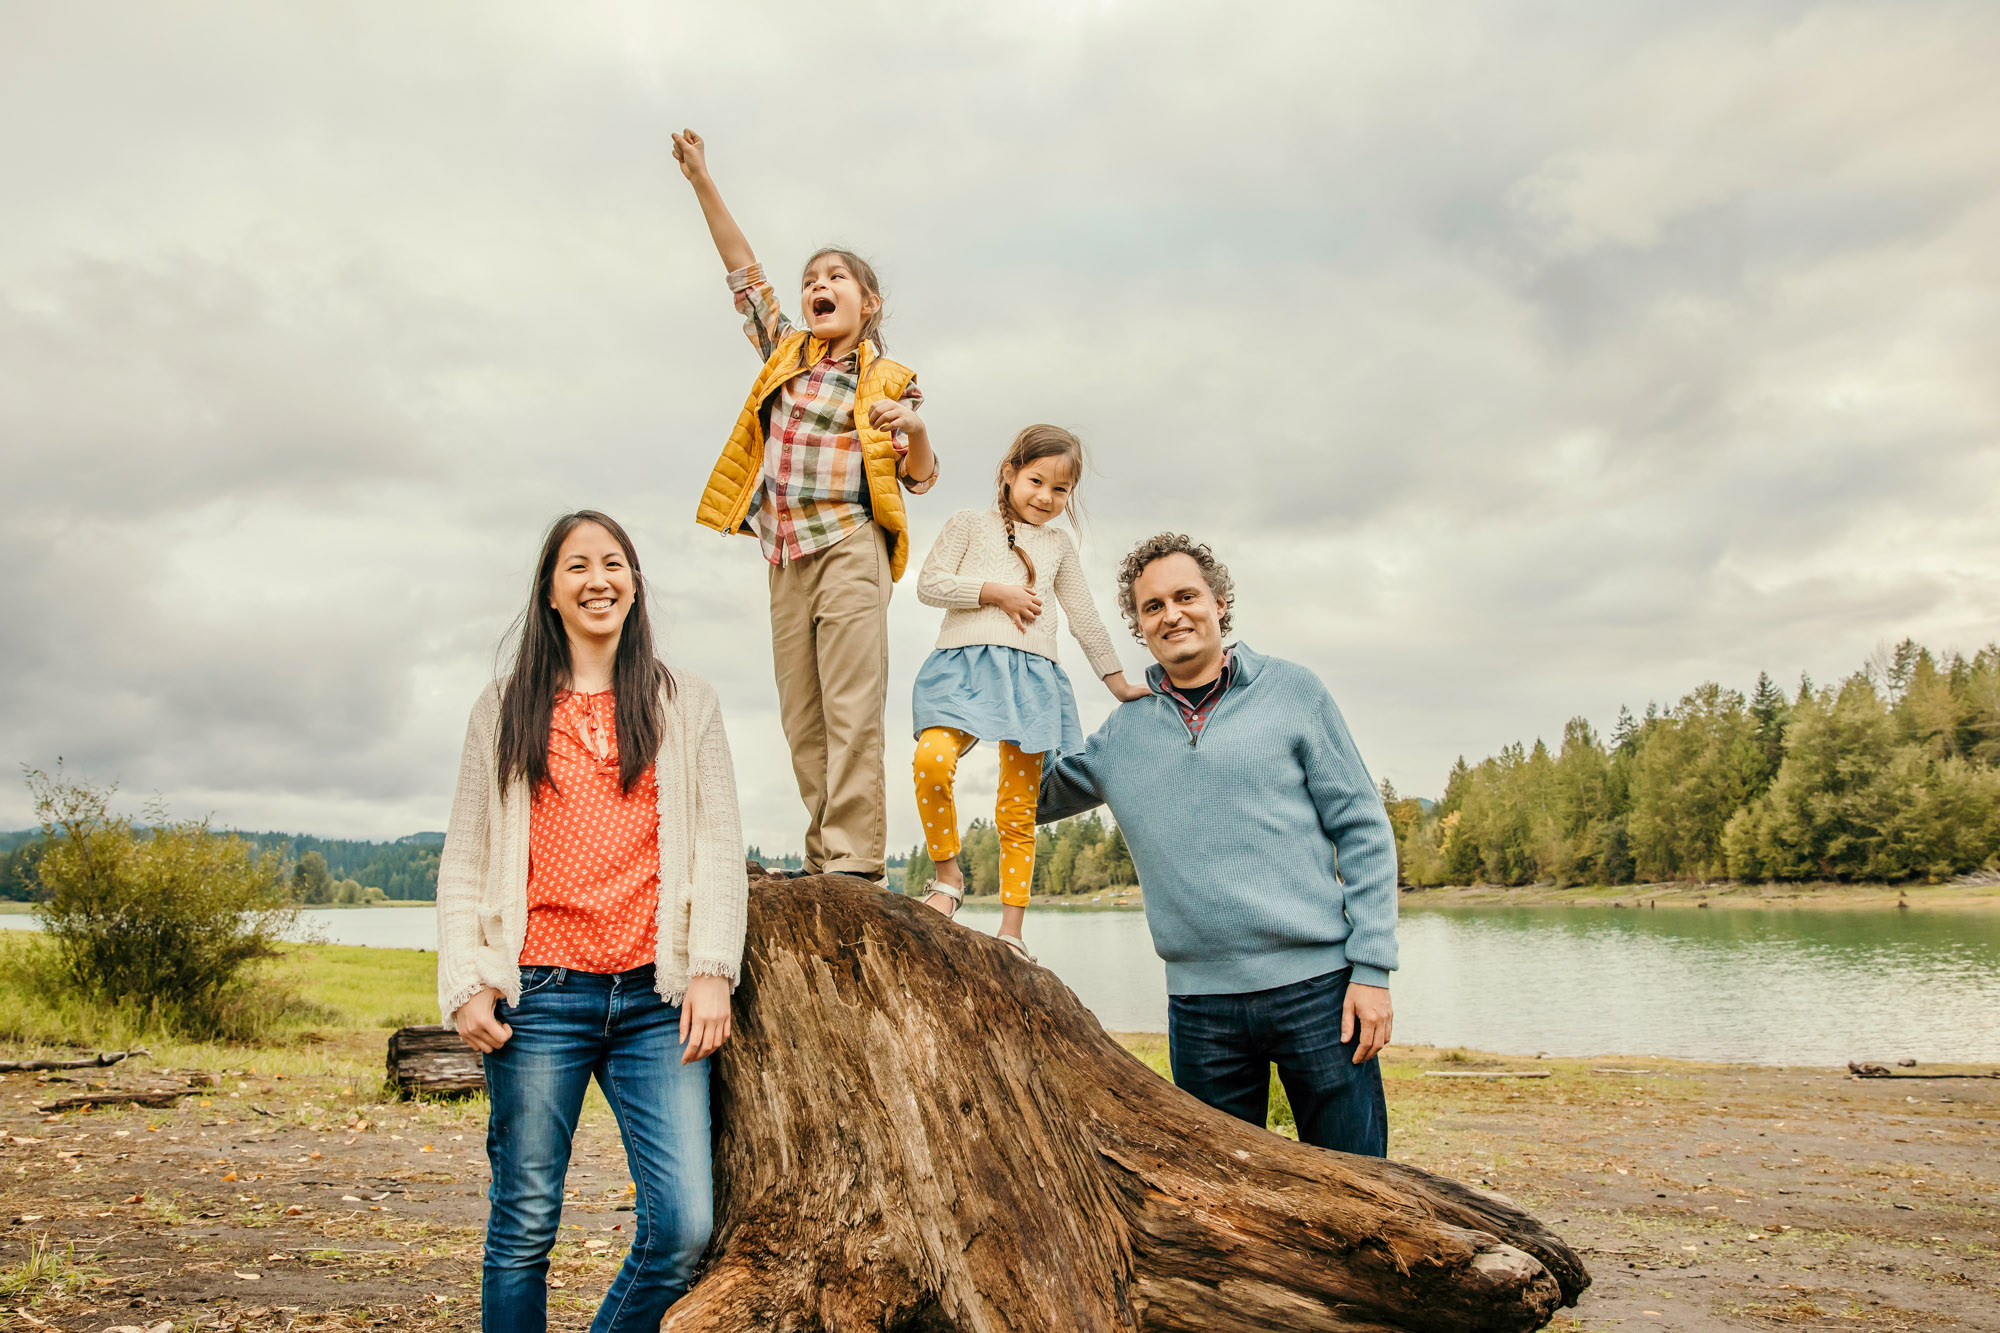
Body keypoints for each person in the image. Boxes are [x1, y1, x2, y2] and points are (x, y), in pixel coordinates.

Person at [435, 511, 748, 1333]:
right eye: (577, 566)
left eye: (614, 563)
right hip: (539, 996)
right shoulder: (503, 707)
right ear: (550, 591)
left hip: (657, 999)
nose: (598, 579)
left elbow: (718, 841)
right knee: (525, 1223)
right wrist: (466, 980)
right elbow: (465, 853)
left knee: (683, 1226)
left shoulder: (686, 701)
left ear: (635, 583)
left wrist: (712, 965)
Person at [1037, 533, 1399, 1156]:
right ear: (1139, 628)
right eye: (1153, 607)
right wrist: (1026, 674)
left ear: (1220, 603)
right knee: (1221, 1204)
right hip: (1201, 1010)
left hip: (1321, 993)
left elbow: (1363, 829)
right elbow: (1034, 796)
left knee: (1361, 1183)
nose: (1172, 614)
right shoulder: (1123, 735)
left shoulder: (1295, 692)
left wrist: (1372, 971)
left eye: (1186, 596)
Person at [673, 127, 937, 885]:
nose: (818, 285)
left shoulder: (887, 381)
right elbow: (741, 271)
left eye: (836, 278)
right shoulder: (785, 353)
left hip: (850, 545)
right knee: (804, 720)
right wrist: (701, 180)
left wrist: (914, 431)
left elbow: (918, 477)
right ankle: (824, 857)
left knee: (852, 709)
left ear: (869, 302)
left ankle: (855, 863)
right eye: (811, 279)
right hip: (783, 554)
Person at [908, 425, 1147, 959]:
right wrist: (995, 592)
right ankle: (948, 878)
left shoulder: (1059, 545)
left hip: (1033, 679)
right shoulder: (969, 524)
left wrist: (1118, 682)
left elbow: (1083, 615)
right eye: (1036, 481)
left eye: (1060, 491)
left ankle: (1012, 929)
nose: (1045, 497)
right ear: (1010, 473)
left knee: (1018, 809)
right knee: (932, 759)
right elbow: (930, 584)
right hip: (963, 668)